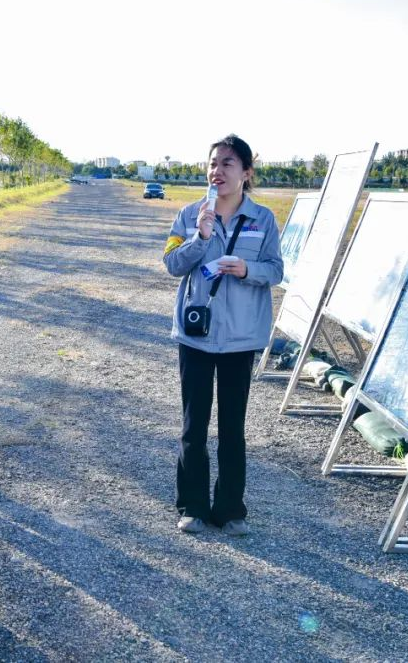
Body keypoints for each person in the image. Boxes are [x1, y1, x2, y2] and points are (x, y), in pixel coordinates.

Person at [162, 134, 283, 536]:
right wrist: (200, 237)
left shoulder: (262, 219)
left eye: (228, 163)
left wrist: (248, 270)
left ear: (246, 173)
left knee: (233, 427)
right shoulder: (189, 214)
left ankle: (230, 510)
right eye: (213, 163)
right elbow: (172, 264)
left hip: (241, 338)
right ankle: (192, 506)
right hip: (196, 335)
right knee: (193, 426)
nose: (217, 171)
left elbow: (276, 270)